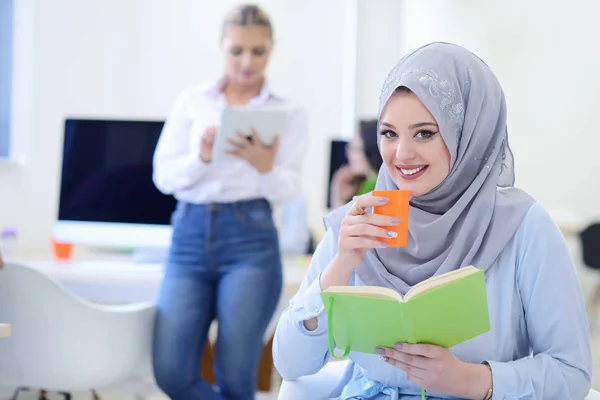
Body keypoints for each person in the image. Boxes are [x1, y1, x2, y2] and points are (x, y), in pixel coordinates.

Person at [273, 42, 592, 399]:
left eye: (425, 132)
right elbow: (290, 365)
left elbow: (572, 372)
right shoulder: (360, 220)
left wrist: (471, 380)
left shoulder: (523, 228)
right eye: (389, 133)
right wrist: (341, 264)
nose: (401, 154)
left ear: (469, 134)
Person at [151, 4, 307, 400]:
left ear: (271, 50)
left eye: (258, 51)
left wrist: (263, 166)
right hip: (189, 236)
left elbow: (288, 188)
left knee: (238, 375)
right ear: (222, 48)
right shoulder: (192, 101)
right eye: (237, 50)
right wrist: (201, 156)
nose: (247, 61)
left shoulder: (288, 109)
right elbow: (164, 176)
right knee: (171, 371)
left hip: (250, 239)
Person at [330, 119, 383, 209]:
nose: (349, 154)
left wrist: (337, 198)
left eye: (353, 148)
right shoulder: (369, 183)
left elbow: (343, 222)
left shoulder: (373, 186)